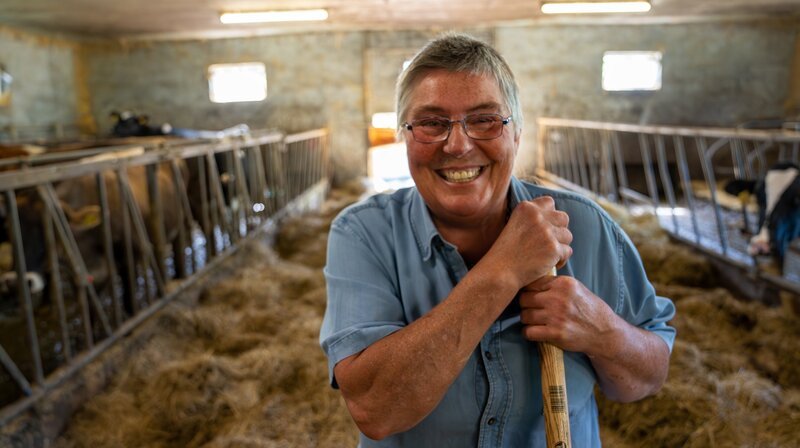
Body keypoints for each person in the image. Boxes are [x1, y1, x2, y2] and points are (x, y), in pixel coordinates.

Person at [320, 33, 676, 447]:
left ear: (517, 133)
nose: (457, 145)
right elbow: (375, 410)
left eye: (485, 119)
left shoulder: (586, 224)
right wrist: (503, 270)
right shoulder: (363, 233)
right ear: (405, 135)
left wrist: (603, 330)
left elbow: (648, 378)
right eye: (432, 123)